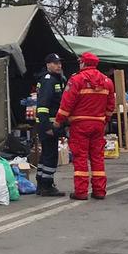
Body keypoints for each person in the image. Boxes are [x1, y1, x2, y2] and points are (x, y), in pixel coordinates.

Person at [53, 51, 115, 201]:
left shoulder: (76, 80)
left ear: (83, 63)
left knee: (80, 158)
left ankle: (81, 192)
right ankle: (99, 191)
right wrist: (104, 120)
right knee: (97, 158)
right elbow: (110, 105)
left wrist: (59, 120)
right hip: (98, 125)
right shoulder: (107, 81)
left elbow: (67, 103)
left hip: (80, 125)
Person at [33, 53, 66, 198]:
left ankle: (41, 182)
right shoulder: (49, 80)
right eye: (55, 63)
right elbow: (43, 106)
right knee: (51, 155)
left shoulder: (54, 79)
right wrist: (48, 127)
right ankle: (47, 185)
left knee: (45, 154)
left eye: (59, 63)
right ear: (48, 65)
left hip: (48, 123)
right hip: (49, 125)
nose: (58, 65)